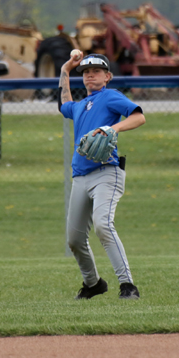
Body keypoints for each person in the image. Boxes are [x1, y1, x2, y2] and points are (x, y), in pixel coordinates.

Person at [58, 51, 146, 300]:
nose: (89, 76)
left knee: (103, 226)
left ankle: (128, 285)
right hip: (80, 177)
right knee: (74, 239)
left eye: (95, 71)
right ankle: (93, 283)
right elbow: (63, 104)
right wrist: (66, 69)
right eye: (85, 72)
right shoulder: (78, 107)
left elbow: (139, 116)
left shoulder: (110, 97)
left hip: (107, 173)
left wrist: (112, 128)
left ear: (107, 76)